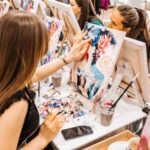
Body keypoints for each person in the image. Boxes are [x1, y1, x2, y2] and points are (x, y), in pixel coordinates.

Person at [0, 11, 91, 149]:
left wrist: (69, 57)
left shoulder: (8, 73)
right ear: (28, 52)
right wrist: (44, 137)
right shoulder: (17, 103)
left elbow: (34, 75)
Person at [108, 5, 150, 69]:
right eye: (110, 20)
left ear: (127, 29)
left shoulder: (137, 51)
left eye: (114, 23)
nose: (108, 26)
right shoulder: (113, 39)